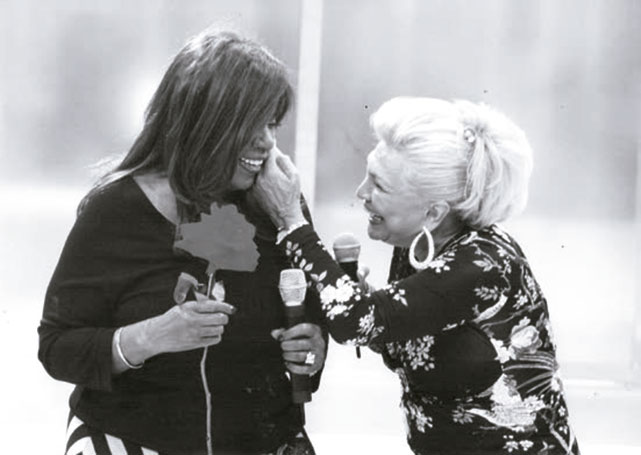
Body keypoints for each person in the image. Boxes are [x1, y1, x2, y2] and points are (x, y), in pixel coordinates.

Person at [38, 28, 327, 455]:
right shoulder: (115, 209)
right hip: (130, 438)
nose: (267, 141)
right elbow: (57, 348)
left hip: (267, 438)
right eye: (253, 123)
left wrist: (312, 349)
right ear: (206, 121)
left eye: (272, 124)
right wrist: (151, 336)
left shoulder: (279, 206)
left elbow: (313, 323)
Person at [254, 97, 581, 454]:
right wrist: (368, 299)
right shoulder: (421, 247)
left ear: (433, 213)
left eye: (379, 186)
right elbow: (397, 339)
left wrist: (291, 221)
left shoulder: (483, 264)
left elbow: (355, 322)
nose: (361, 193)